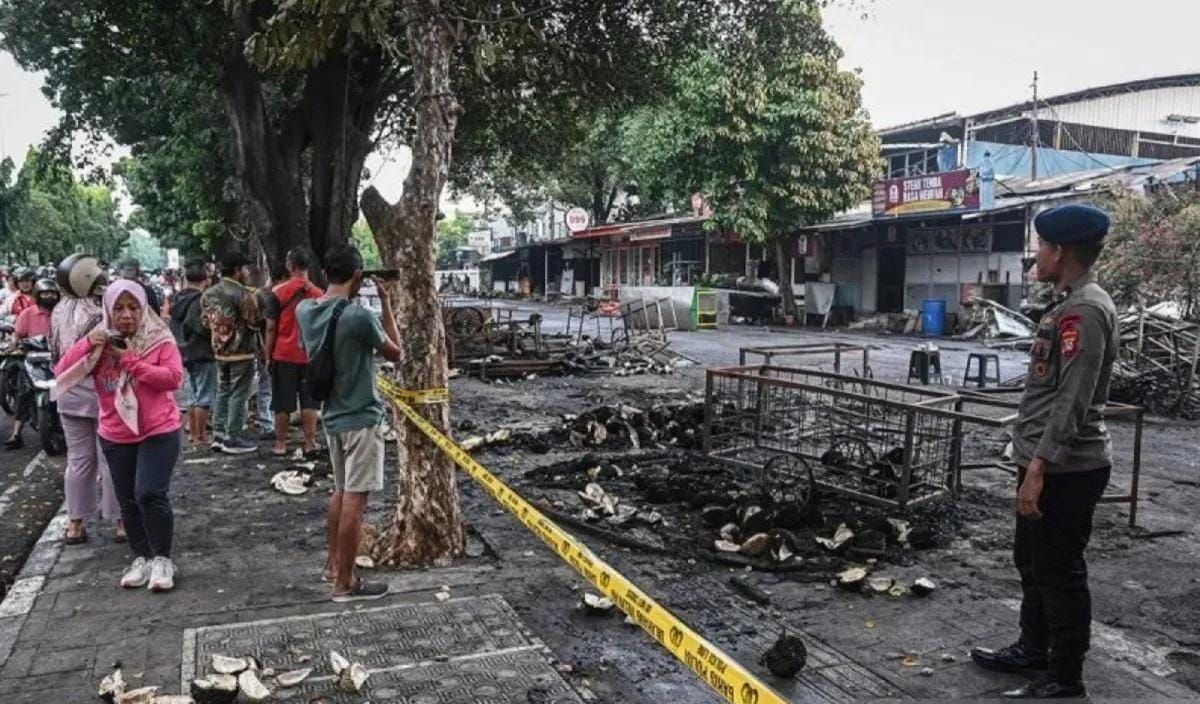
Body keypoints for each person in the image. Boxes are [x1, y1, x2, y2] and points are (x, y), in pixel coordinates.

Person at [970, 204, 1119, 700]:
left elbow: (1072, 399)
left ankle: (1065, 677)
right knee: (1031, 562)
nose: (1036, 256)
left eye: (1040, 247)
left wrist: (1039, 467)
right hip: (1043, 460)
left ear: (1060, 251)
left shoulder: (1085, 311)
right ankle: (1032, 650)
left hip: (1066, 467)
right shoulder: (1066, 303)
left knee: (1059, 571)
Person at [54, 280, 184, 592]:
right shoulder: (99, 343)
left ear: (143, 309)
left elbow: (173, 379)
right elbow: (63, 371)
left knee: (149, 493)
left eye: (133, 307)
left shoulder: (159, 339)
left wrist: (130, 361)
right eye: (119, 308)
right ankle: (142, 557)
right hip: (116, 433)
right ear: (108, 311)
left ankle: (163, 559)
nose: (126, 315)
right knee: (127, 500)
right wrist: (88, 343)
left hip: (158, 430)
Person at [297, 244, 401, 602]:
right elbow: (396, 353)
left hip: (333, 417)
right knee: (355, 501)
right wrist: (386, 304)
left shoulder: (305, 312)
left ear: (326, 274)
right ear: (359, 277)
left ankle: (333, 565)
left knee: (340, 492)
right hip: (361, 417)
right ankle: (345, 582)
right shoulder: (360, 317)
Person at [50, 254, 123, 543]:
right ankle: (121, 522)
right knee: (111, 460)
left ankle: (75, 524)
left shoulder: (58, 311)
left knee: (78, 461)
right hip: (102, 394)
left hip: (67, 393)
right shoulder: (101, 313)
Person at [200, 252, 260, 455]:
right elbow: (253, 321)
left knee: (223, 390)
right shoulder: (242, 293)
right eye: (244, 268)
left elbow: (205, 321)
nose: (246, 272)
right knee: (238, 394)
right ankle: (232, 437)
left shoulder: (208, 293)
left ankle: (218, 433)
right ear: (237, 271)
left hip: (219, 350)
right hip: (241, 351)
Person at [266, 248, 323, 457]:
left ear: (290, 266)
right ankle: (310, 442)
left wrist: (267, 354)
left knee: (282, 402)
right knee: (309, 401)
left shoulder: (278, 292)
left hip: (284, 354)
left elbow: (271, 327)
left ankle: (281, 444)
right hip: (309, 355)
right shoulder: (318, 294)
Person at [4, 278, 60, 449]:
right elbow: (18, 334)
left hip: (57, 359)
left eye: (52, 293)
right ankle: (16, 434)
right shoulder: (27, 314)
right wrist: (14, 345)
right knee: (24, 393)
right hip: (33, 359)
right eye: (45, 293)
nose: (48, 296)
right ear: (38, 295)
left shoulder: (61, 313)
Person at [169, 257, 216, 450]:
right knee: (204, 397)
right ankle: (200, 435)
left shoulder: (177, 299)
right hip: (202, 351)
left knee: (192, 395)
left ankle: (193, 433)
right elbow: (200, 326)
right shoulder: (199, 301)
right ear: (205, 279)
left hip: (183, 352)